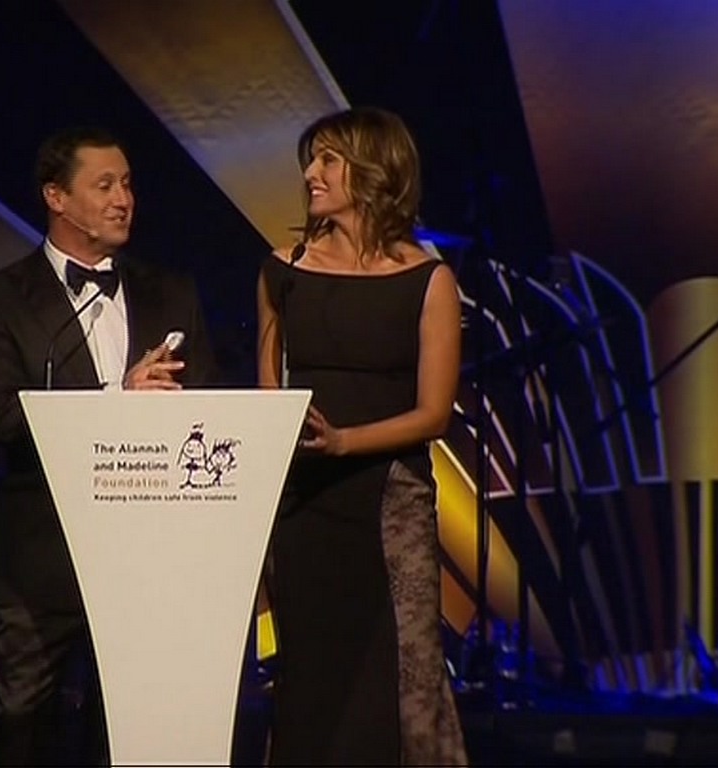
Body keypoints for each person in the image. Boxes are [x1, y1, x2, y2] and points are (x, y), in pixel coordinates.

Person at [0, 125, 218, 766]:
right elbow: (0, 417)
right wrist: (116, 398)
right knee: (21, 724)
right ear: (56, 196)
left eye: (127, 184)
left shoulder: (172, 292)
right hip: (43, 554)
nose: (123, 199)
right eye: (104, 186)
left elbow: (207, 410)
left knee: (138, 731)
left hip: (149, 555)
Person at [256, 106, 468, 765]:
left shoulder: (429, 281)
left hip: (389, 504)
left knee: (403, 673)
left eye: (328, 160)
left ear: (374, 170)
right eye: (311, 160)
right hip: (303, 507)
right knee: (309, 676)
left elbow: (434, 414)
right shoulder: (281, 270)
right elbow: (267, 396)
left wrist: (345, 441)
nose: (310, 174)